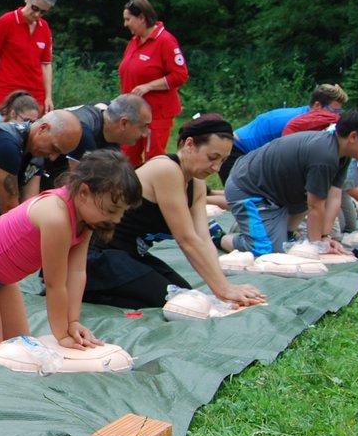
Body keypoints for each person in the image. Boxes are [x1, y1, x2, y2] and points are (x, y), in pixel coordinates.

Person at [0, 149, 142, 359]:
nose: (116, 220)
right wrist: (62, 334)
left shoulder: (87, 219)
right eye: (111, 210)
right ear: (84, 192)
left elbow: (77, 272)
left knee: (17, 344)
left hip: (1, 276)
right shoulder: (56, 217)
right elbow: (55, 284)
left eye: (121, 212)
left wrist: (73, 322)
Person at [82, 116, 267, 310]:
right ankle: (84, 288)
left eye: (222, 161)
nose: (216, 168)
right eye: (212, 158)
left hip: (132, 255)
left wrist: (222, 286)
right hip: (98, 255)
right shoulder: (166, 169)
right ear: (189, 144)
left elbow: (202, 238)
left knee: (186, 294)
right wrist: (223, 289)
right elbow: (186, 239)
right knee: (174, 299)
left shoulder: (196, 183)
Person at [222, 108, 358, 256]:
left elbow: (334, 196)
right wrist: (315, 247)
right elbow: (316, 206)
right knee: (266, 250)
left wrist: (324, 236)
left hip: (280, 192)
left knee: (288, 239)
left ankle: (282, 232)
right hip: (248, 188)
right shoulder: (324, 156)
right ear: (353, 137)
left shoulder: (342, 155)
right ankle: (219, 237)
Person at [219, 84, 347, 185]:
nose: (336, 116)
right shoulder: (298, 122)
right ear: (317, 105)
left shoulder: (310, 118)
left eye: (339, 112)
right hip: (237, 150)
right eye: (333, 111)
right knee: (243, 201)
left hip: (250, 152)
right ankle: (205, 199)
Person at [118, 0, 188, 165]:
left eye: (128, 19)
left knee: (153, 159)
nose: (125, 24)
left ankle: (153, 189)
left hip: (156, 113)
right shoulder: (134, 42)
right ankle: (129, 189)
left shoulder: (165, 41)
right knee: (127, 156)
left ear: (141, 18)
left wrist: (149, 86)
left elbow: (180, 75)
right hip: (132, 112)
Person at [0, 0, 55, 112]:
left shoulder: (45, 28)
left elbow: (46, 64)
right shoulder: (6, 22)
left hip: (36, 94)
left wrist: (48, 97)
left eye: (43, 12)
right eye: (35, 8)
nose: (37, 14)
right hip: (8, 93)